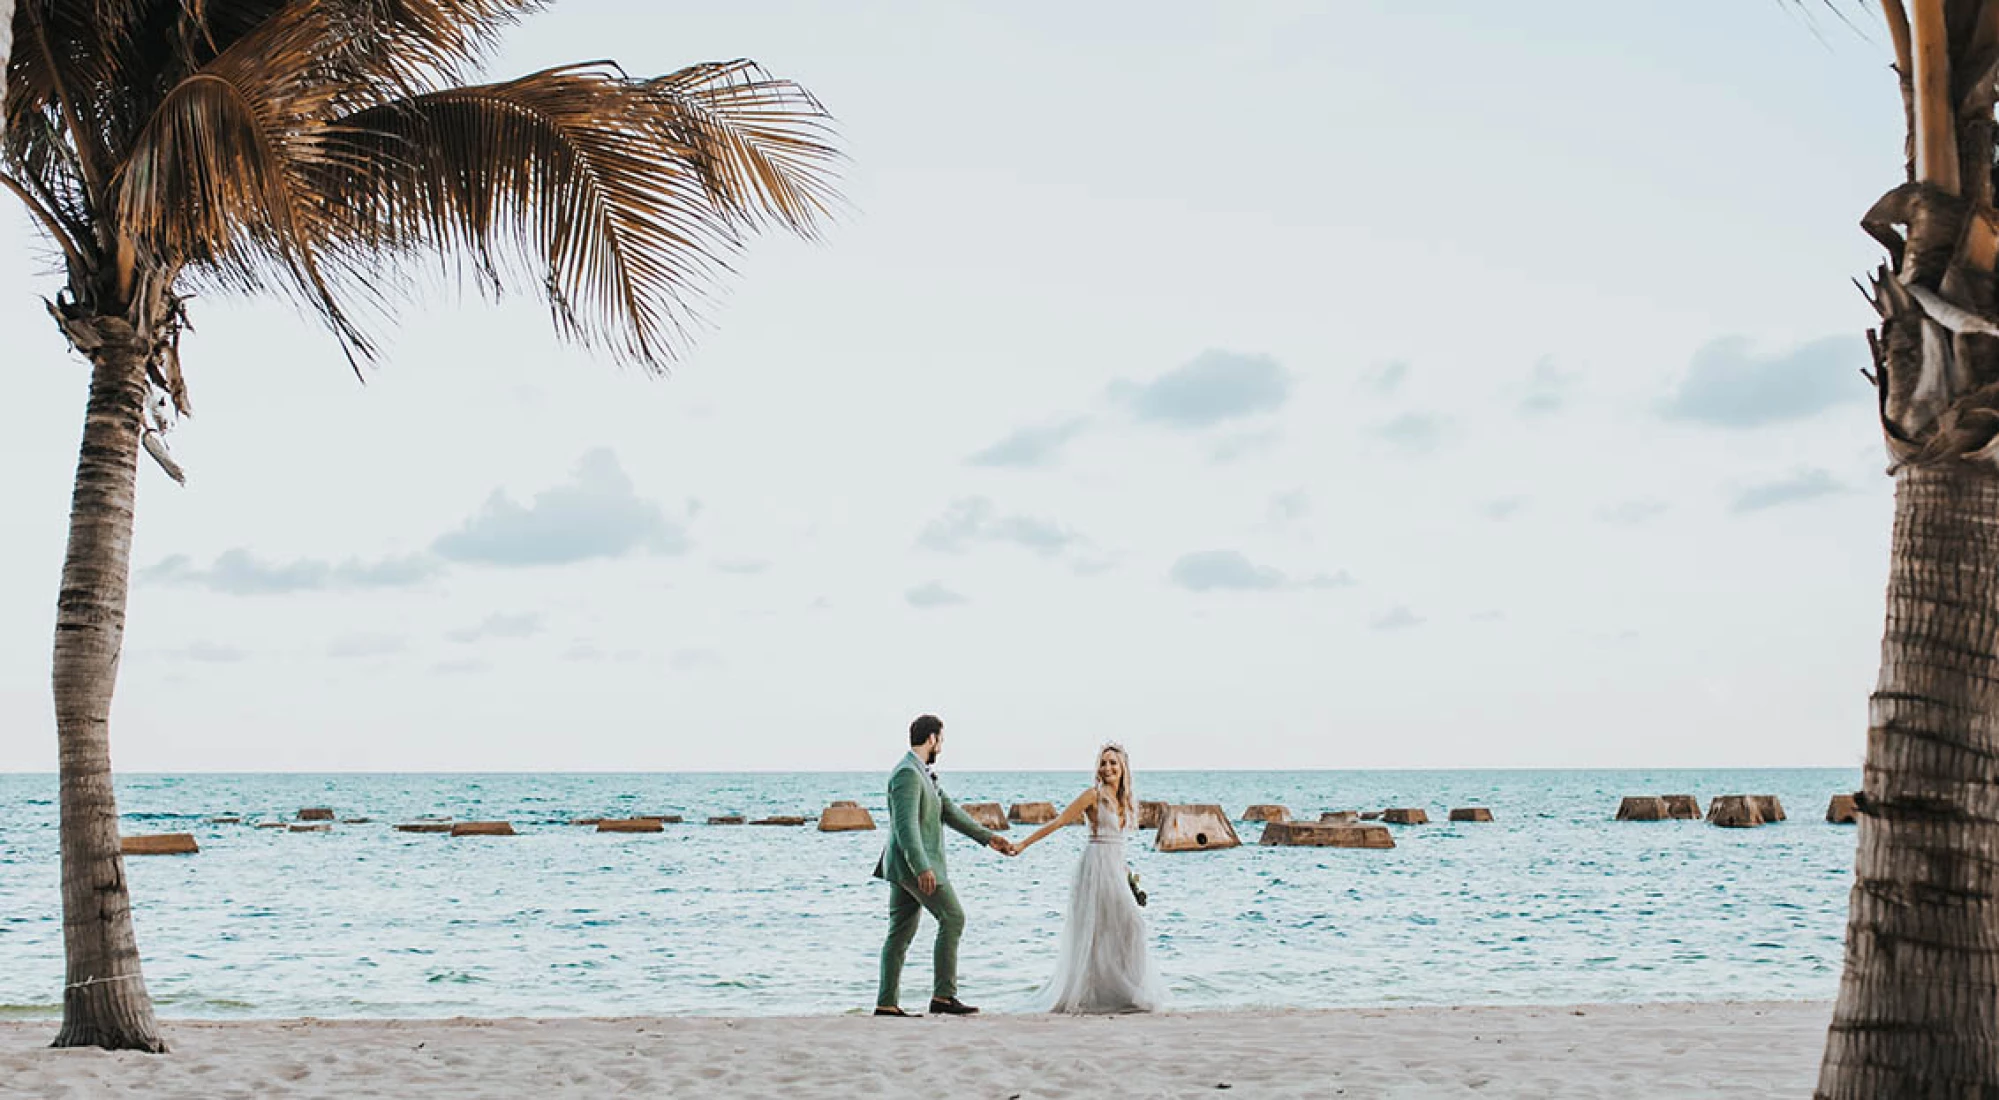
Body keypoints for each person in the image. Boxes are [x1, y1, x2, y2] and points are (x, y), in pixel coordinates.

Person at [874, 714, 1016, 1017]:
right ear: (932, 739)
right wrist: (922, 867)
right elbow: (905, 827)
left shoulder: (922, 772)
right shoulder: (907, 774)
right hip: (914, 866)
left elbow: (949, 811)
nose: (942, 746)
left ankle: (886, 1003)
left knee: (900, 933)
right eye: (941, 740)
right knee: (953, 917)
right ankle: (943, 996)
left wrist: (990, 839)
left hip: (905, 866)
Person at [1012, 742, 1167, 1014]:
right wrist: (1023, 844)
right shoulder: (1092, 796)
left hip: (1116, 868)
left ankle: (1121, 991)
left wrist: (1130, 879)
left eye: (1113, 763)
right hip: (1095, 866)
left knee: (1129, 926)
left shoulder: (1125, 802)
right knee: (1096, 931)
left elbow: (1118, 844)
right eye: (1103, 762)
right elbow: (1059, 822)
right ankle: (1094, 994)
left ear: (1123, 769)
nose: (1107, 768)